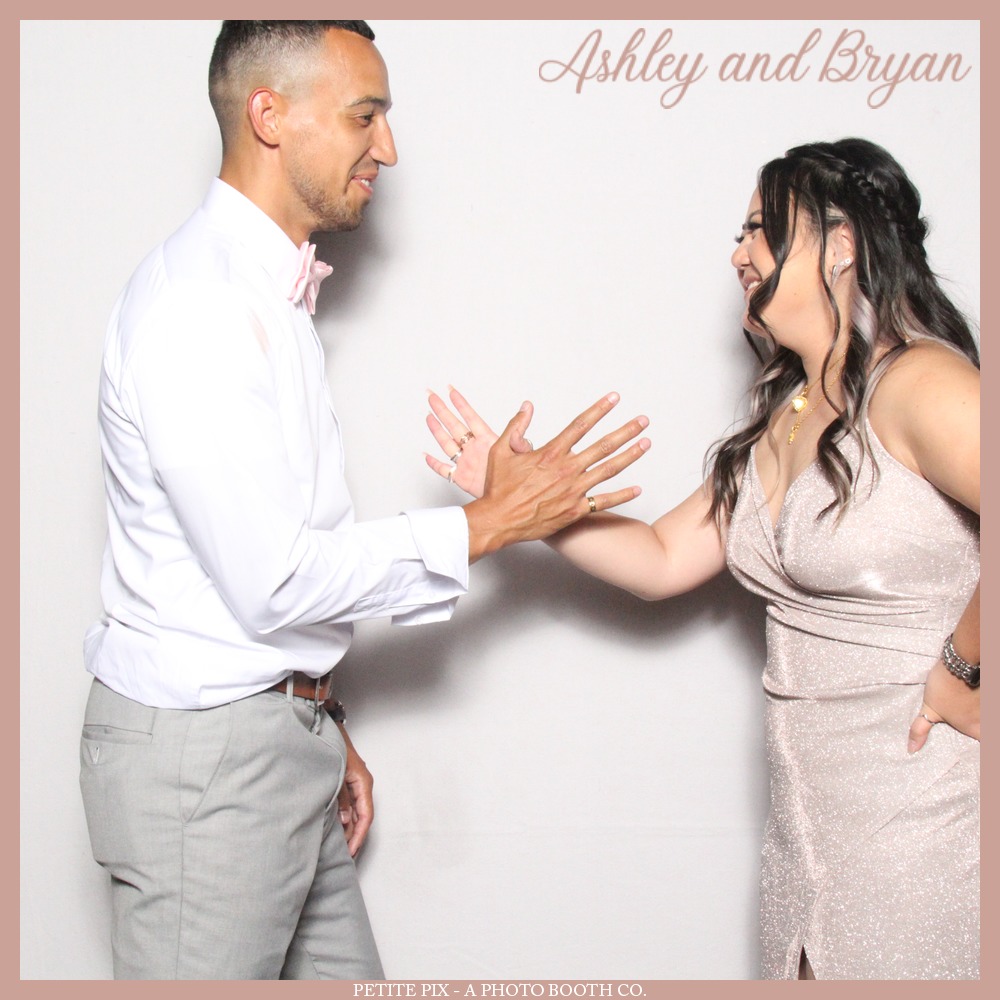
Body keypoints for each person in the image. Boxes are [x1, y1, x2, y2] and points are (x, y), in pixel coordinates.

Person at [79, 20, 650, 981]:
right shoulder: (200, 308)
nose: (388, 147)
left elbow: (256, 568)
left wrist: (316, 716)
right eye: (365, 116)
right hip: (206, 770)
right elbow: (274, 580)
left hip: (270, 741)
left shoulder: (265, 295)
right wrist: (490, 522)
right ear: (270, 116)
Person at [427, 138, 980, 980]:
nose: (739, 254)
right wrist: (526, 506)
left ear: (840, 244)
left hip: (926, 809)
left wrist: (964, 667)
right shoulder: (789, 415)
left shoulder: (920, 382)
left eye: (760, 229)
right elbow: (659, 558)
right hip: (809, 830)